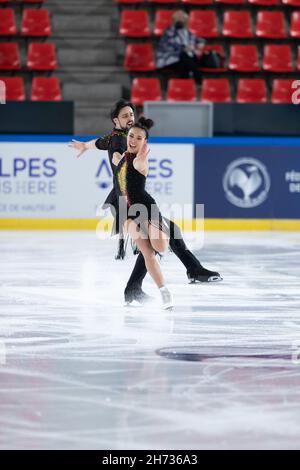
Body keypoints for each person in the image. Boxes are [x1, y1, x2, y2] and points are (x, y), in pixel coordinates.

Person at [69, 99, 222, 306]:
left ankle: (140, 286)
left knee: (164, 234)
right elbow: (116, 152)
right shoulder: (120, 141)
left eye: (131, 114)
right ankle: (189, 272)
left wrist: (84, 146)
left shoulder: (115, 136)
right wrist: (122, 158)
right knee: (160, 237)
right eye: (125, 116)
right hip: (126, 201)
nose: (130, 118)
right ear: (116, 120)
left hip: (126, 199)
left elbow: (99, 142)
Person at [114, 117, 174, 309]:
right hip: (129, 214)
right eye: (131, 136)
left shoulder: (140, 162)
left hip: (147, 209)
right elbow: (111, 153)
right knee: (148, 253)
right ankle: (164, 292)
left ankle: (167, 235)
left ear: (144, 142)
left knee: (160, 247)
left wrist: (141, 156)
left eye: (139, 138)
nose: (133, 140)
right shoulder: (120, 157)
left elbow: (139, 162)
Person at [156, 10, 220, 83]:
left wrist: (200, 43)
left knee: (184, 64)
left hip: (184, 60)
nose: (180, 21)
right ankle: (198, 77)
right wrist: (184, 49)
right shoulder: (169, 31)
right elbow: (169, 45)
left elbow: (198, 39)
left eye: (182, 19)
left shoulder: (187, 32)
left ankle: (185, 86)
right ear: (174, 20)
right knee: (184, 55)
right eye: (178, 19)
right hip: (170, 59)